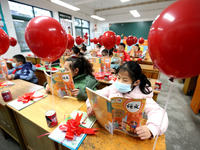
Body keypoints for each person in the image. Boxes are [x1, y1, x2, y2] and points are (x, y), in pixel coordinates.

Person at [86, 61, 168, 140]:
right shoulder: (114, 87)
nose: (120, 82)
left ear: (136, 82)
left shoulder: (142, 96)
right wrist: (91, 105)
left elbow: (159, 113)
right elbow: (95, 94)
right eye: (118, 78)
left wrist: (151, 129)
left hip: (129, 136)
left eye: (125, 80)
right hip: (108, 132)